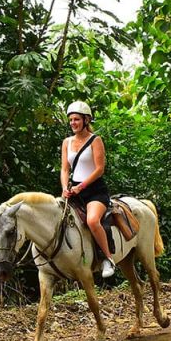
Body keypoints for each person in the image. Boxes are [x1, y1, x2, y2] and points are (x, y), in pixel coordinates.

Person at [60, 100, 115, 278]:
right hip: (74, 190)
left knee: (92, 221)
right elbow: (65, 169)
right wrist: (64, 187)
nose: (73, 123)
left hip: (94, 191)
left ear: (86, 120)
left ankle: (108, 259)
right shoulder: (67, 142)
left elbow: (100, 169)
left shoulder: (95, 140)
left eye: (76, 119)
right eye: (71, 120)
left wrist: (81, 186)